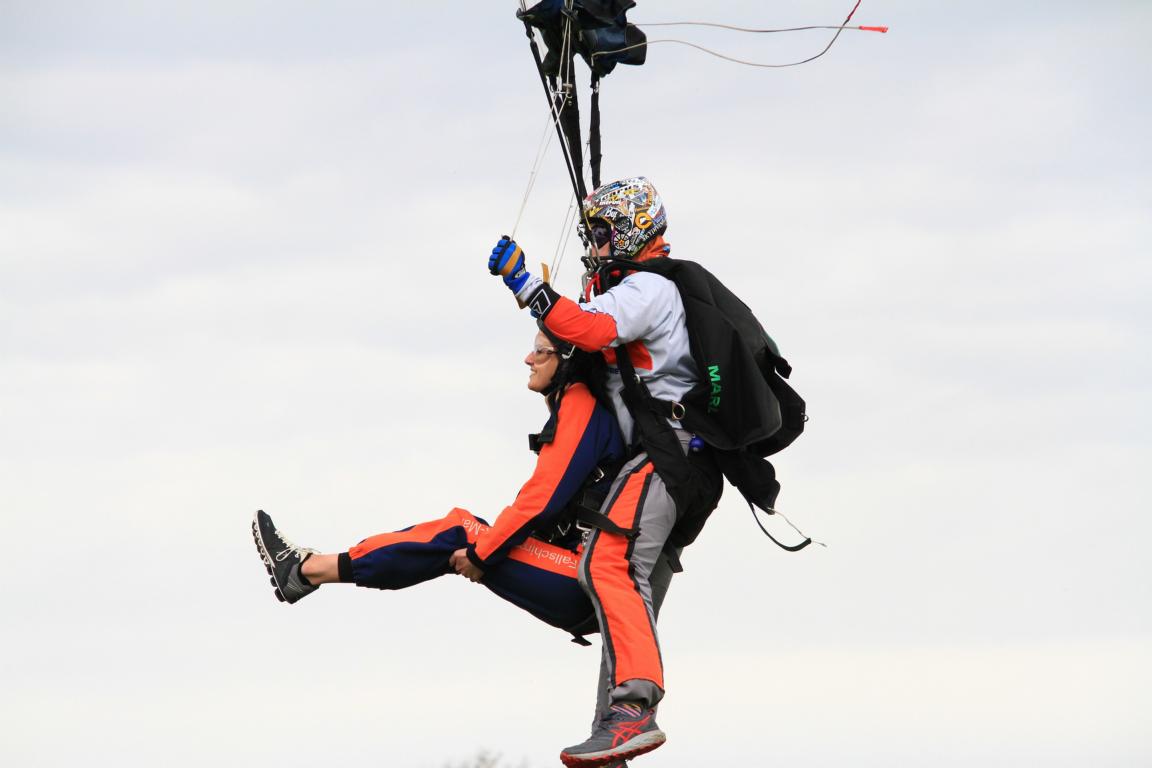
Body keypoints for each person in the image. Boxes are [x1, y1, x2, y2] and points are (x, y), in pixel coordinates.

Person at [488, 176, 723, 768]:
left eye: (600, 234)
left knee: (608, 564)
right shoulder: (637, 288)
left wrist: (527, 285)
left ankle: (633, 711)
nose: (594, 246)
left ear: (630, 231)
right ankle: (612, 737)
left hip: (668, 454)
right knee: (622, 585)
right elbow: (590, 324)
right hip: (675, 460)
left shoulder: (648, 288)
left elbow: (589, 329)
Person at [251, 330, 628, 650]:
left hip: (583, 579)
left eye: (540, 351)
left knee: (461, 531)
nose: (528, 358)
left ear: (569, 360)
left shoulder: (579, 404)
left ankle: (307, 570)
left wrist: (483, 554)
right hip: (581, 575)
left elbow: (539, 501)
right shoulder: (578, 406)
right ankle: (308, 571)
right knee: (462, 532)